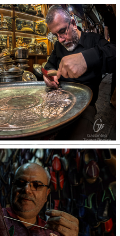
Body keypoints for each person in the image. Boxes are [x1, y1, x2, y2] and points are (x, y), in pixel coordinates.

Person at [42, 5, 116, 139]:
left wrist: (86, 59)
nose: (60, 39)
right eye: (55, 35)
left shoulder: (94, 40)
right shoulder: (58, 46)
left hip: (85, 107)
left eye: (63, 31)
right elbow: (50, 65)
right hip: (58, 101)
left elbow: (114, 54)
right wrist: (50, 75)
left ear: (73, 23)